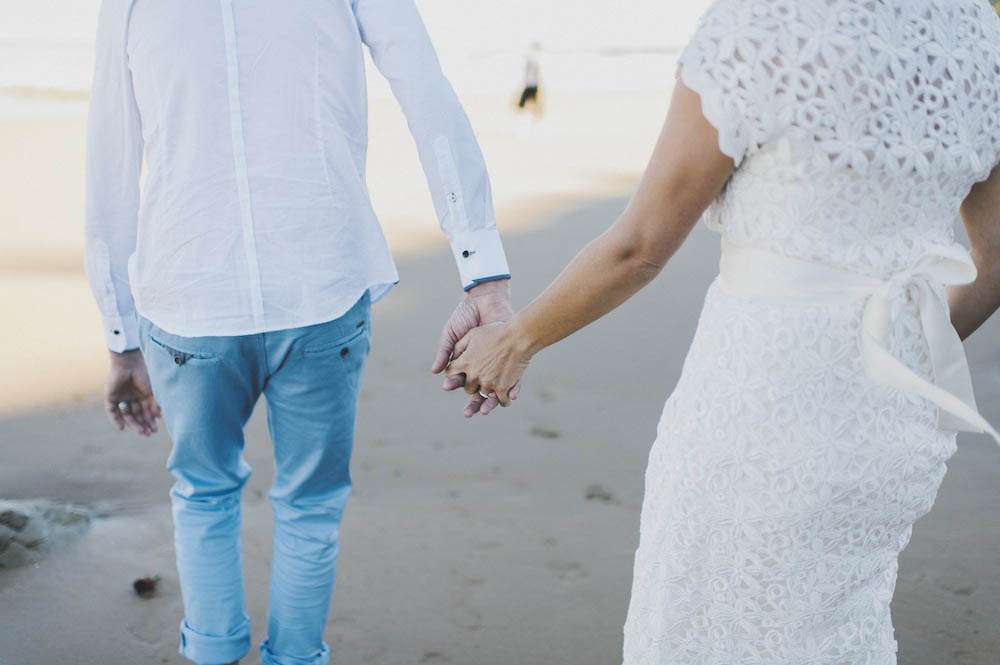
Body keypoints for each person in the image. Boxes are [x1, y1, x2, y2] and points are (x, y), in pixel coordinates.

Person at [445, 0, 1000, 662]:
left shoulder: (759, 24)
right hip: (891, 425)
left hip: (762, 415)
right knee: (835, 624)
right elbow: (994, 258)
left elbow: (640, 247)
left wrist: (515, 340)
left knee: (713, 627)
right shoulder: (978, 32)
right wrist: (903, 354)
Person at [84, 2, 512, 664]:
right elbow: (423, 85)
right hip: (321, 283)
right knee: (310, 505)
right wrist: (481, 272)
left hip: (190, 295)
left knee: (203, 491)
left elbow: (110, 157)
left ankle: (213, 653)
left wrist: (121, 336)